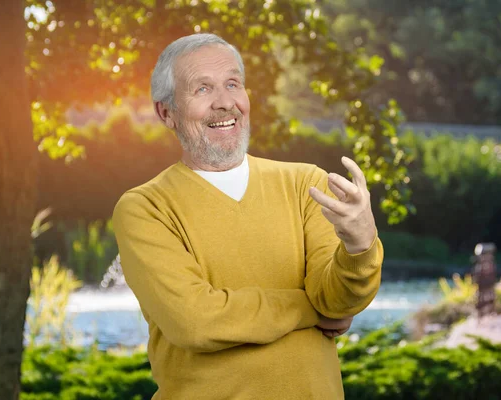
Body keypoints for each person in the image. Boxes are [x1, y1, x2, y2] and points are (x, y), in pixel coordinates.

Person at [112, 33, 383, 400]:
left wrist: (359, 245)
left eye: (232, 84)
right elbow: (195, 322)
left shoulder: (307, 184)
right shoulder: (145, 208)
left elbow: (337, 302)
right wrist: (308, 309)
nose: (225, 103)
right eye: (202, 89)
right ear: (167, 112)